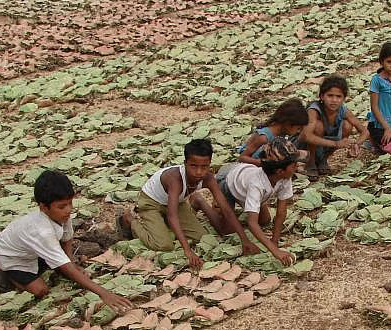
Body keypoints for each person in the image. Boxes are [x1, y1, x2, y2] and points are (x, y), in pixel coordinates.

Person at [0, 170, 132, 311]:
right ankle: (2, 270)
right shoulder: (42, 232)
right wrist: (104, 293)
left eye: (70, 203)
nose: (68, 210)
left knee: (67, 269)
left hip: (32, 251)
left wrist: (70, 261)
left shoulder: (61, 216)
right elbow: (64, 265)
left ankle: (48, 263)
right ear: (44, 207)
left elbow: (67, 237)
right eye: (62, 206)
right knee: (41, 290)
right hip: (12, 257)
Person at [120, 139, 259, 270]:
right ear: (185, 163)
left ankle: (169, 221)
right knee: (164, 245)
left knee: (201, 237)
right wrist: (188, 251)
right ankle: (130, 221)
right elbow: (172, 215)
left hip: (178, 203)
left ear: (210, 163)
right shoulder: (175, 179)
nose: (199, 172)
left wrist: (244, 240)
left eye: (204, 167)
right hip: (151, 202)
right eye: (193, 166)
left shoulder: (209, 178)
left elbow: (226, 209)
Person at [196, 138, 299, 266]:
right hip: (228, 182)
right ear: (279, 171)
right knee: (227, 230)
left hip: (244, 181)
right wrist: (275, 252)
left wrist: (275, 241)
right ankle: (200, 201)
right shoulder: (257, 184)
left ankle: (244, 207)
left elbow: (281, 212)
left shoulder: (285, 177)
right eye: (294, 165)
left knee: (265, 220)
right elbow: (251, 224)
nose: (297, 167)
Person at [299, 75, 368, 179]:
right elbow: (306, 136)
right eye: (330, 95)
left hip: (324, 146)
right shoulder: (314, 110)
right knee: (318, 126)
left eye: (338, 97)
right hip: (304, 148)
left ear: (344, 98)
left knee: (347, 126)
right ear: (322, 96)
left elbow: (365, 132)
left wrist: (356, 144)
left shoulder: (343, 111)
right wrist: (335, 143)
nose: (334, 100)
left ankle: (323, 160)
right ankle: (311, 163)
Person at [237, 99, 309, 166]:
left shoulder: (282, 136)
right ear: (288, 124)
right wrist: (264, 164)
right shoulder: (264, 138)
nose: (299, 131)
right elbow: (242, 158)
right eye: (298, 128)